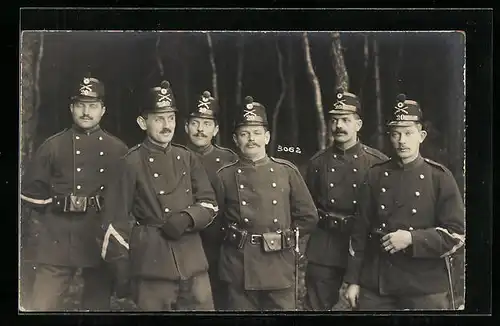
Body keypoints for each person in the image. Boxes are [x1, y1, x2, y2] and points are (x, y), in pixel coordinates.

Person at [100, 80, 218, 311]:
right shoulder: (130, 163)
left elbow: (210, 204)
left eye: (171, 118)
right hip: (152, 264)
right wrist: (124, 272)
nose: (167, 125)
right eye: (159, 119)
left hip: (193, 263)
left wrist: (187, 217)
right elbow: (114, 224)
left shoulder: (187, 158)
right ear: (143, 122)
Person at [344, 94, 465, 310]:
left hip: (425, 285)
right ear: (389, 137)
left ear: (422, 135)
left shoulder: (439, 177)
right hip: (378, 282)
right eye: (396, 134)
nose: (402, 141)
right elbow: (359, 232)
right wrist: (353, 281)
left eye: (408, 133)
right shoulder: (375, 175)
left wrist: (412, 238)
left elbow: (456, 235)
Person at [20, 74, 129, 311]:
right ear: (71, 108)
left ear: (103, 110)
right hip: (58, 234)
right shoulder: (53, 145)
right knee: (41, 305)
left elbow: (127, 194)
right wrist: (57, 206)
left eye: (92, 106)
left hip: (97, 234)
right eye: (80, 106)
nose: (86, 112)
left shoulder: (118, 149)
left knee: (96, 306)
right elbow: (31, 190)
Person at [214, 95, 319, 311]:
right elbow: (215, 223)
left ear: (267, 137)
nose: (251, 139)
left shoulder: (286, 171)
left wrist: (285, 240)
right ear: (235, 140)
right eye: (244, 134)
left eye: (257, 133)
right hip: (239, 265)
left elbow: (308, 216)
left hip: (277, 264)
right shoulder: (224, 176)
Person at [304, 88, 388, 310]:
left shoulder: (377, 163)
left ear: (358, 125)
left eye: (345, 120)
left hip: (364, 246)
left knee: (366, 305)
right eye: (334, 120)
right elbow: (309, 204)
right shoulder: (317, 163)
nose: (339, 126)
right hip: (326, 245)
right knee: (316, 306)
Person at [184, 90, 238, 310]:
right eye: (195, 123)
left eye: (207, 124)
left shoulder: (228, 159)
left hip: (219, 242)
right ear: (186, 126)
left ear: (215, 129)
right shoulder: (176, 155)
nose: (200, 129)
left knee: (221, 296)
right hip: (185, 239)